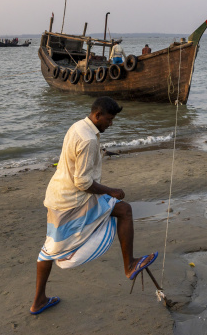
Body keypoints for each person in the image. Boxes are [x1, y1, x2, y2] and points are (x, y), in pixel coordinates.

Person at [30, 97, 158, 315]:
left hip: (59, 194)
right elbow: (82, 182)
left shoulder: (78, 126)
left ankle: (39, 300)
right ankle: (129, 266)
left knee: (50, 248)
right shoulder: (88, 139)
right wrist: (110, 191)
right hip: (72, 200)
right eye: (109, 120)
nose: (111, 124)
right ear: (97, 115)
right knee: (51, 249)